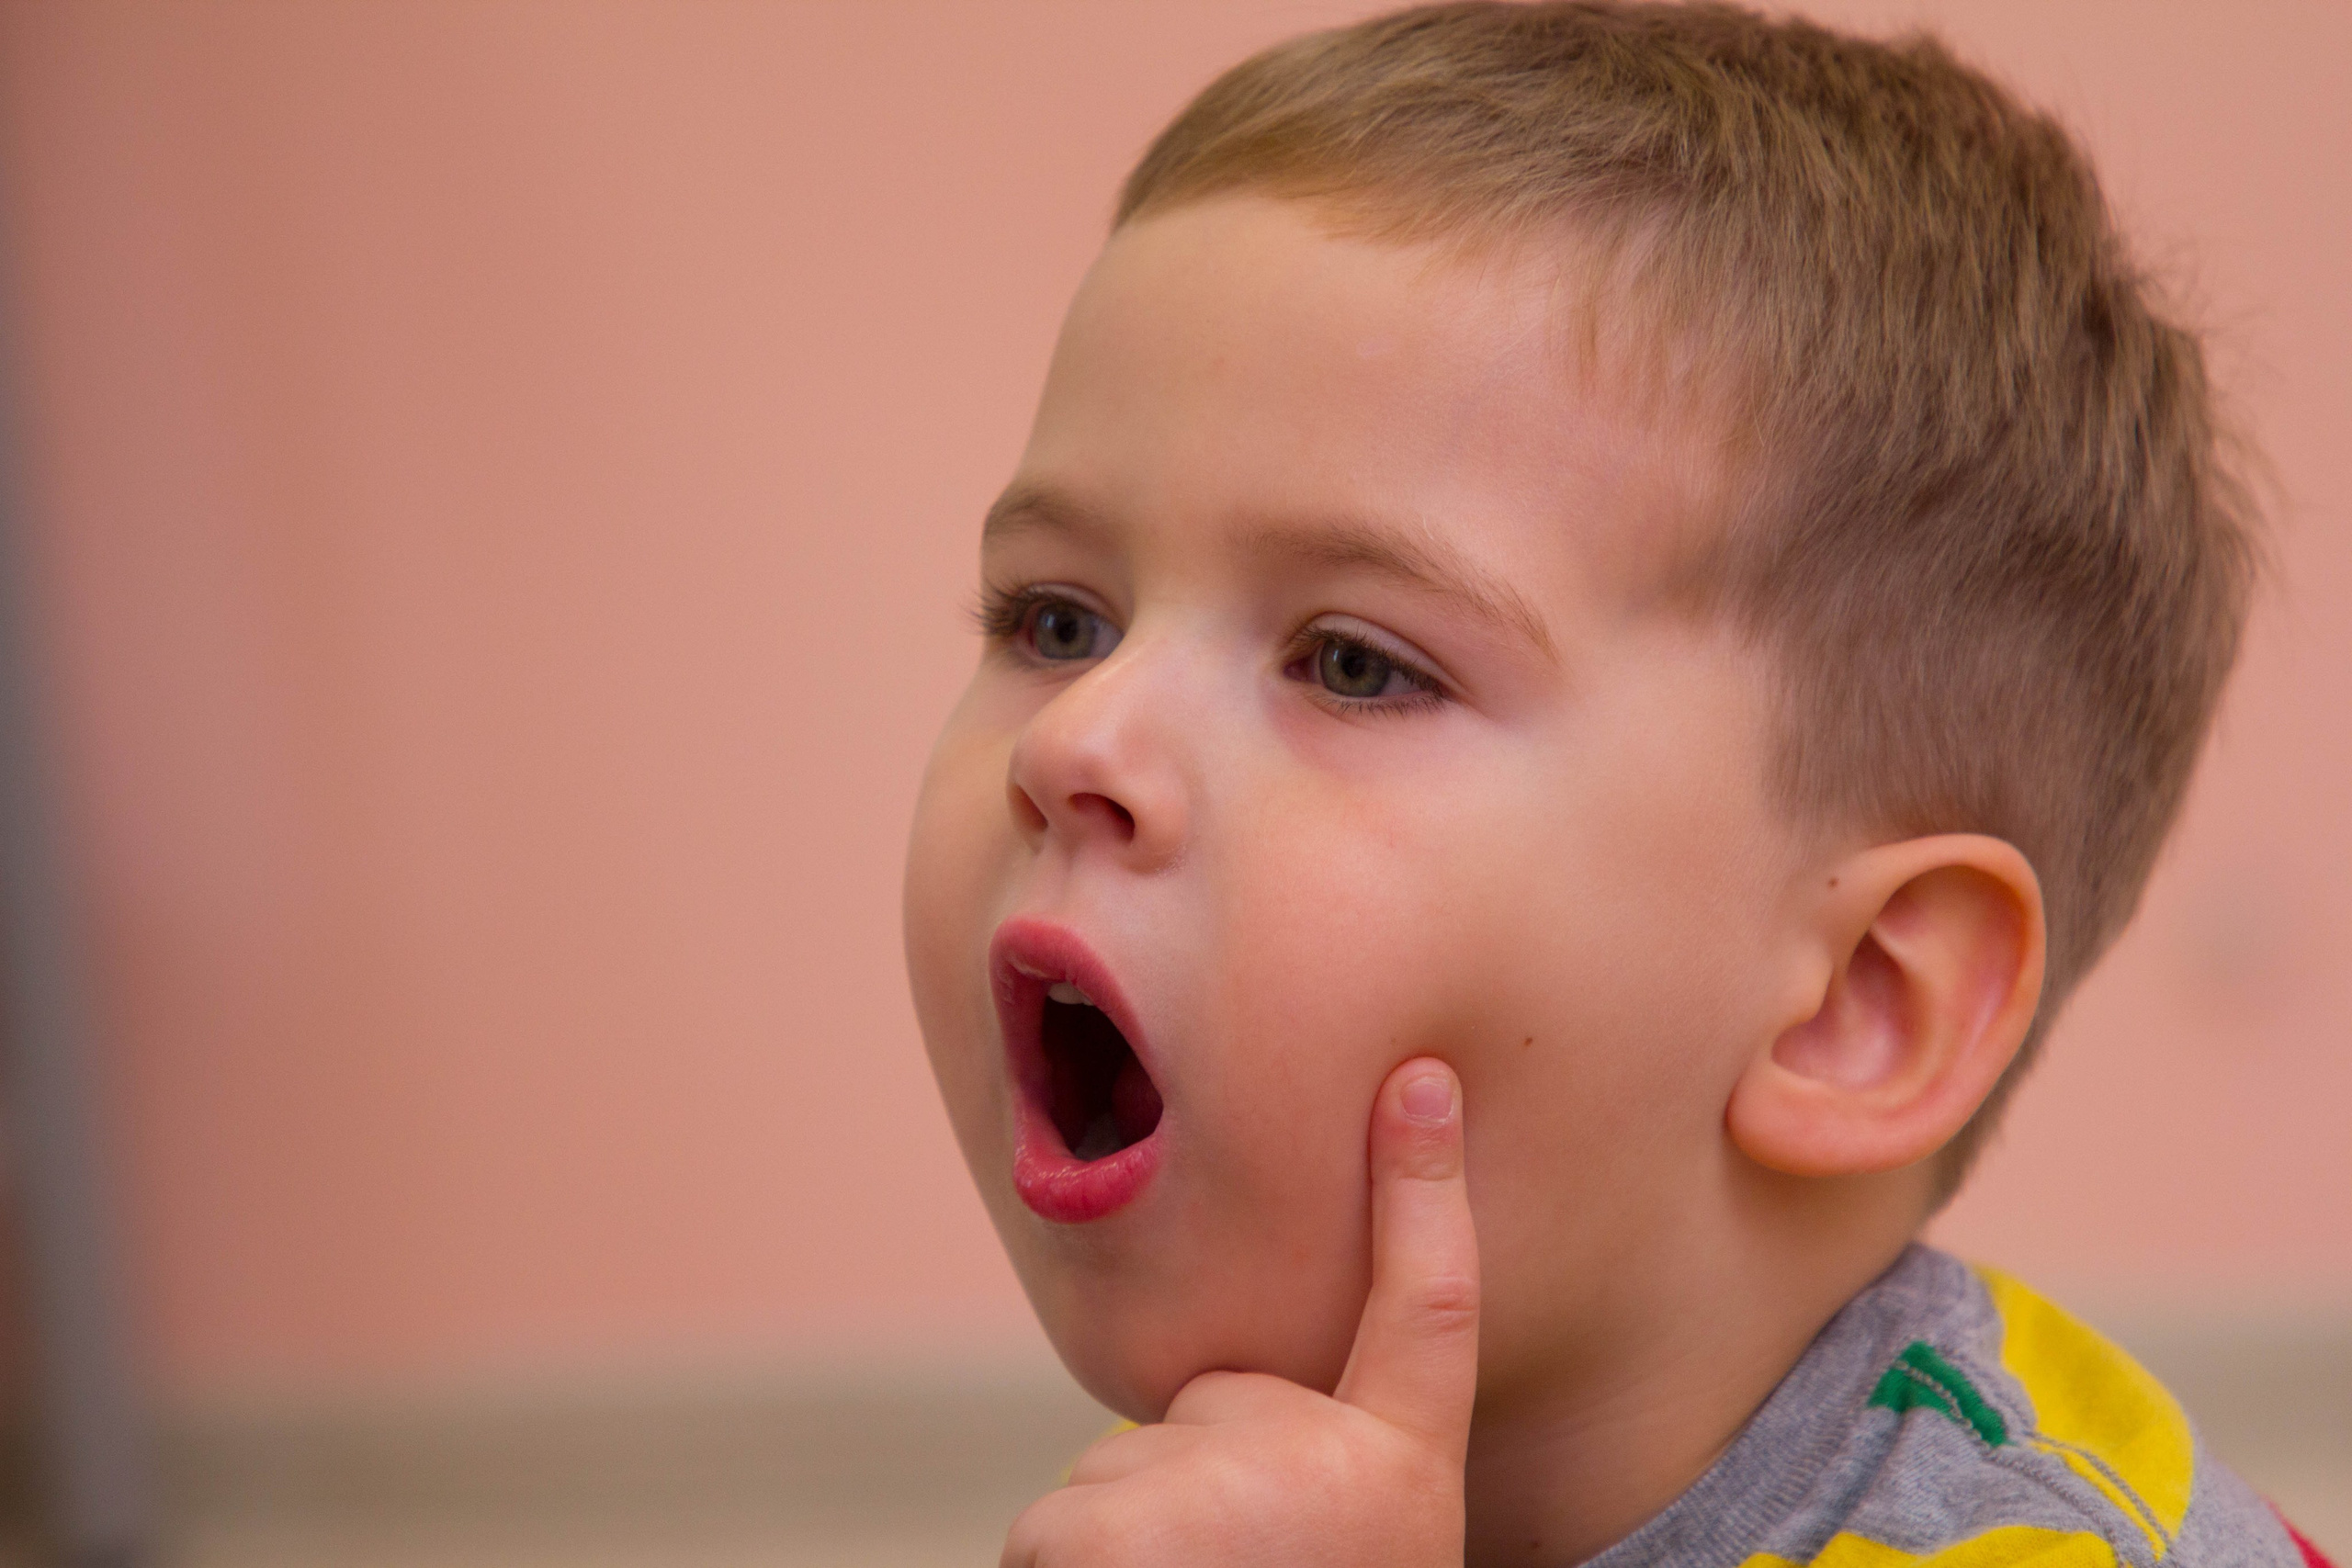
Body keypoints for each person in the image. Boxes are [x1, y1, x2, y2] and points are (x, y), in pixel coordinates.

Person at [900, 4, 2326, 1564]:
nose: (1073, 743)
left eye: (1355, 663)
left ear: (1858, 999)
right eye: (1054, 623)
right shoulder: (1248, 1475)